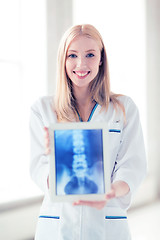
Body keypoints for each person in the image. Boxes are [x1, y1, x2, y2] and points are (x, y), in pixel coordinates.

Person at [30, 24, 147, 240]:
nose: (81, 64)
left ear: (101, 59)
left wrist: (112, 191)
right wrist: (56, 160)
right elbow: (39, 169)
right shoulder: (43, 109)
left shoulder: (123, 108)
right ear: (62, 60)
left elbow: (133, 165)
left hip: (108, 221)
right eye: (72, 55)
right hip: (58, 223)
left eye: (90, 54)